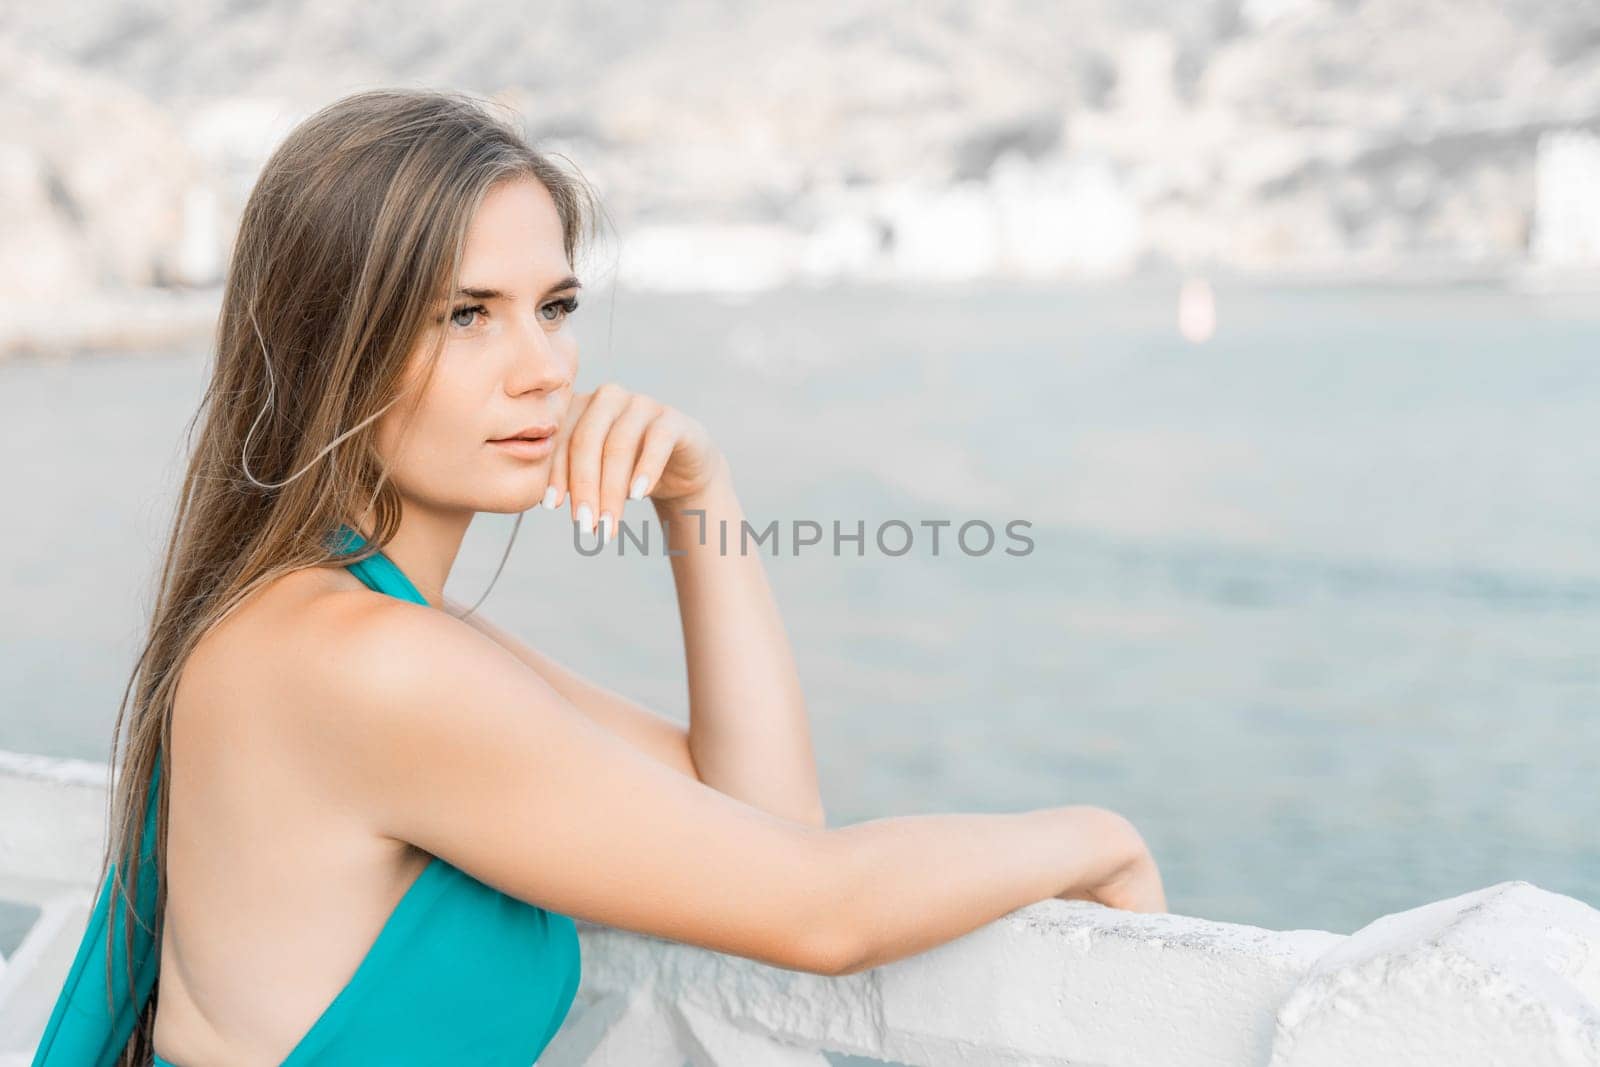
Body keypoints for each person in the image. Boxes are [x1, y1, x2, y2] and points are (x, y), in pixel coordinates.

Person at [29, 87, 1165, 1067]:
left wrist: (696, 496)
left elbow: (763, 814)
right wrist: (1096, 833)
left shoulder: (343, 620)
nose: (545, 368)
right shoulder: (369, 662)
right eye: (466, 315)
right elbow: (822, 908)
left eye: (555, 307)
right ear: (334, 341)